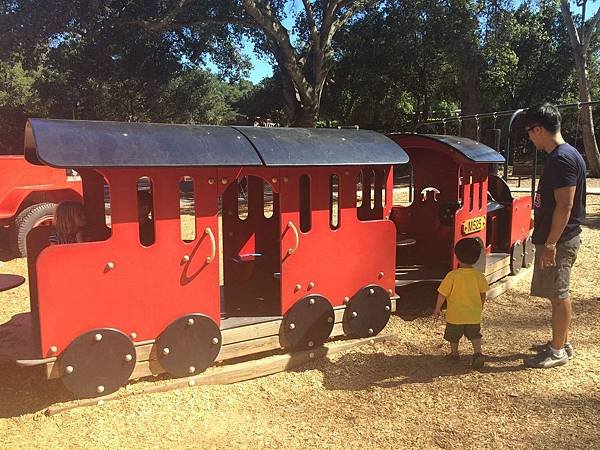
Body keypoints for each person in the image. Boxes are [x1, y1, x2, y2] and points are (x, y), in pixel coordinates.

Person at [522, 103, 587, 369]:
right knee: (555, 293)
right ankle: (561, 341)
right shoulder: (567, 153)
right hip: (557, 237)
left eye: (529, 132)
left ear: (539, 129)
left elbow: (565, 205)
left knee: (559, 294)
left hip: (559, 240)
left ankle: (559, 350)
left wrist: (550, 243)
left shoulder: (561, 158)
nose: (529, 137)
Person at [432, 238, 488, 368]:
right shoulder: (479, 276)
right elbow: (483, 294)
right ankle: (478, 353)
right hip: (473, 314)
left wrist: (437, 309)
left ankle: (454, 354)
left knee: (453, 335)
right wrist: (480, 306)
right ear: (477, 257)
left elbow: (442, 294)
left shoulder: (452, 275)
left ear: (456, 256)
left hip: (455, 315)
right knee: (475, 335)